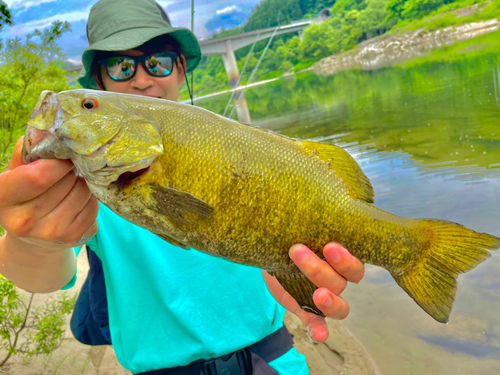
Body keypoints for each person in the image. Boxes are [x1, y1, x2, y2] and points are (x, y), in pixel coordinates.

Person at [0, 0, 365, 374]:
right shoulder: (84, 184)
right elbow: (41, 275)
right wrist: (30, 241)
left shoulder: (248, 151)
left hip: (273, 361)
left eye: (156, 61)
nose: (142, 79)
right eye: (121, 66)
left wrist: (304, 282)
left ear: (181, 69)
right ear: (100, 82)